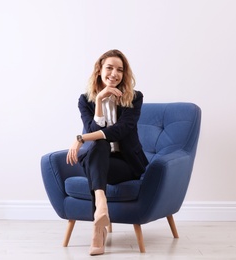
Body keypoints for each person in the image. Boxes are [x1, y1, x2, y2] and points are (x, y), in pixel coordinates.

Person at [66, 49, 149, 256]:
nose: (115, 73)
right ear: (99, 70)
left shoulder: (134, 98)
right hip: (98, 159)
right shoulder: (85, 100)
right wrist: (100, 102)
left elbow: (119, 131)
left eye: (120, 70)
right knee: (99, 147)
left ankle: (98, 228)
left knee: (100, 146)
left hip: (125, 163)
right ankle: (101, 206)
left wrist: (80, 139)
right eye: (109, 68)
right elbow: (95, 131)